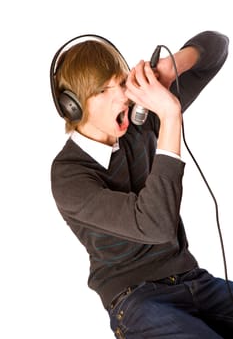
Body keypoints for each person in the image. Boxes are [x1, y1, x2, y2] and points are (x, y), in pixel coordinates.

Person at [50, 31, 233, 338]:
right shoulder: (68, 174)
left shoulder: (140, 123)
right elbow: (156, 224)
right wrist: (170, 116)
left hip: (193, 279)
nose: (121, 96)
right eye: (103, 91)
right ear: (73, 107)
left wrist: (173, 66)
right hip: (135, 299)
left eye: (120, 83)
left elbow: (218, 47)